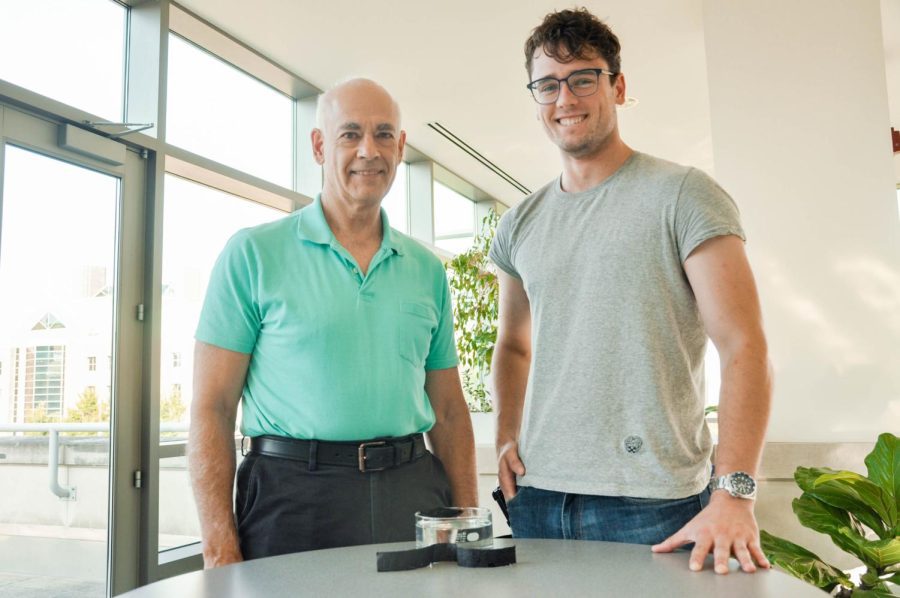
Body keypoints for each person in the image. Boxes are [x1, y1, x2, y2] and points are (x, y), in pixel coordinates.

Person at [490, 8, 773, 575]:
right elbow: (513, 346)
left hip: (652, 500)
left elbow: (744, 346)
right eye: (547, 84)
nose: (564, 98)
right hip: (538, 497)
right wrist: (503, 437)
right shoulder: (519, 222)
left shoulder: (684, 195)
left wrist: (735, 492)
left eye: (582, 78)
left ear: (617, 86)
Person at [188, 78, 477, 568]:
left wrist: (469, 520)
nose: (369, 150)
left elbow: (448, 411)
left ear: (401, 148)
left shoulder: (426, 269)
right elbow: (212, 408)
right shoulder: (253, 254)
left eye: (385, 134)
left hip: (411, 491)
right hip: (291, 496)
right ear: (320, 146)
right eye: (350, 134)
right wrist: (219, 547)